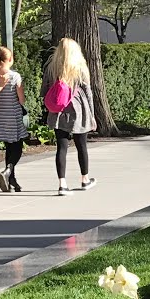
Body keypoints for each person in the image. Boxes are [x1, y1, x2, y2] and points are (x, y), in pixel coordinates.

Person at [43, 37, 97, 195]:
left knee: (62, 147)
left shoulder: (51, 68)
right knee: (82, 146)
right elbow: (88, 93)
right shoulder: (80, 67)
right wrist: (92, 115)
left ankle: (62, 184)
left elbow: (44, 91)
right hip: (79, 110)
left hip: (59, 112)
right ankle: (85, 179)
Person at [0, 46, 27, 192]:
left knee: (9, 148)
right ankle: (8, 171)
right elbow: (21, 100)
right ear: (10, 59)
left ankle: (11, 180)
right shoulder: (14, 76)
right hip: (13, 117)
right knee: (17, 147)